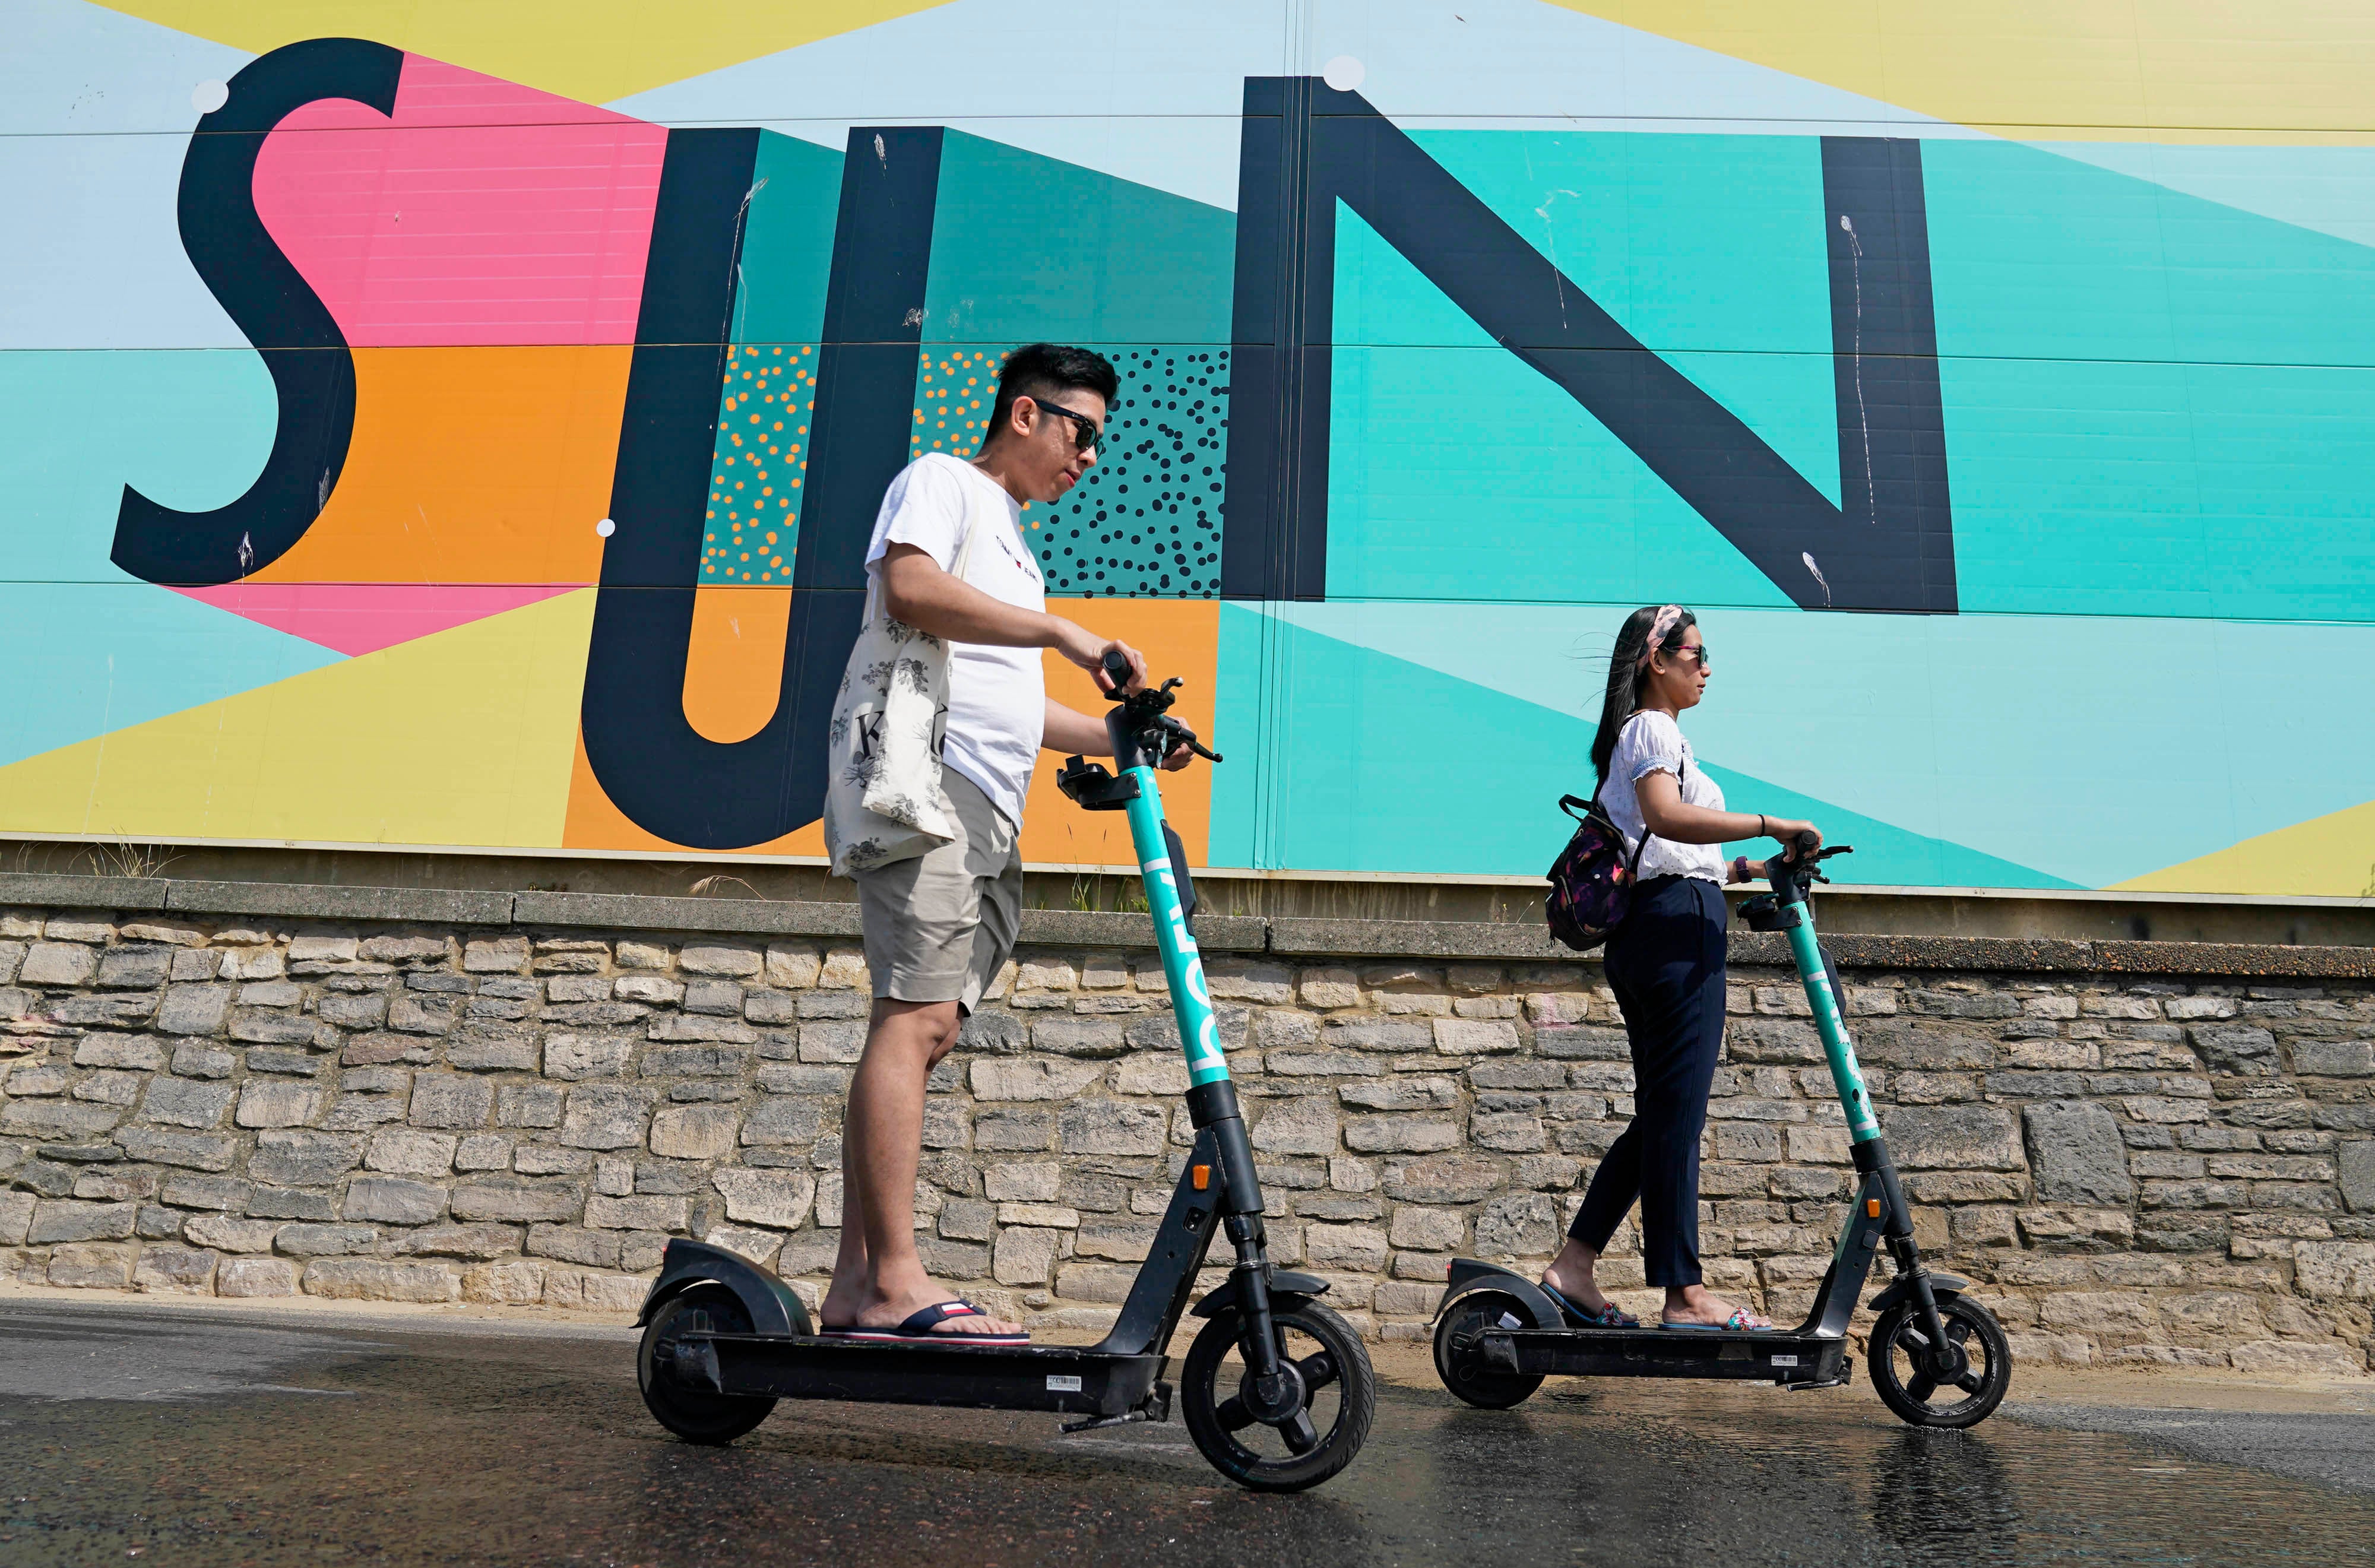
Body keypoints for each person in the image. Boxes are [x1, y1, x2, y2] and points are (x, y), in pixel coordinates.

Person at [820, 344, 1192, 1343]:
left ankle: (857, 1286)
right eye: (1082, 432)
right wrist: (1064, 633)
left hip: (987, 794)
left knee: (928, 1027)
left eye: (1100, 443)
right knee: (914, 1015)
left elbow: (1015, 709)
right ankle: (895, 1280)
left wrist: (1127, 734)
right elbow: (909, 591)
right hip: (928, 783)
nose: (1090, 458)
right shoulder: (944, 482)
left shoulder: (1016, 545)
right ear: (1025, 414)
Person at [1538, 604, 1822, 1332]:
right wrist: (1770, 822)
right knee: (1677, 1116)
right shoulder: (1651, 728)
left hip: (1658, 927)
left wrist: (1755, 865)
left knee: (1662, 1117)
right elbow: (1665, 817)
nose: (1705, 666)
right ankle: (1683, 1294)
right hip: (1673, 935)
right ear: (1653, 660)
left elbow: (1673, 850)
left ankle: (1574, 1264)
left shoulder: (1649, 738)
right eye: (1693, 653)